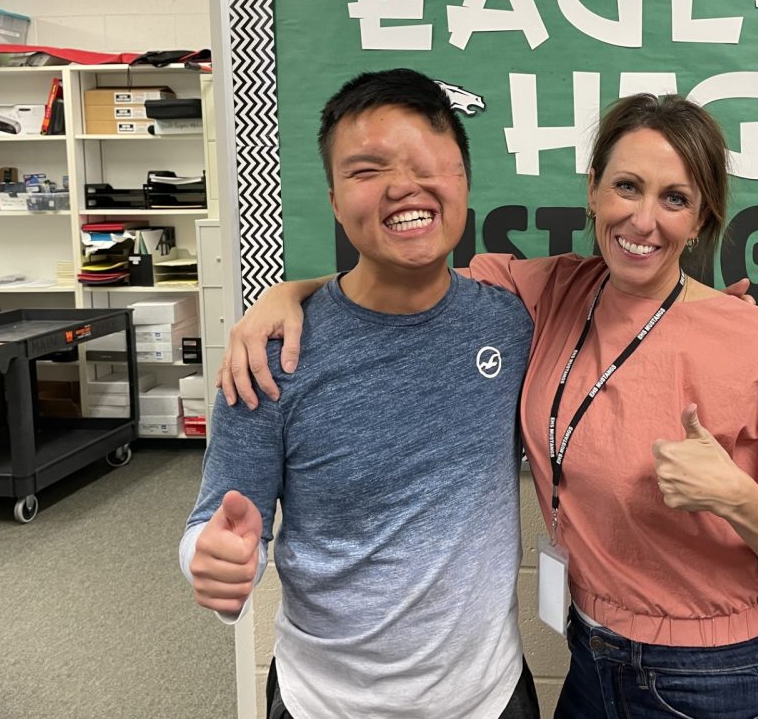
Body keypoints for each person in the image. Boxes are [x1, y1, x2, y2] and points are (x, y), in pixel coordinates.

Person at [225, 91, 758, 717]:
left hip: (724, 680)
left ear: (700, 217)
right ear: (593, 188)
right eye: (627, 186)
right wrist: (290, 293)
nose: (643, 220)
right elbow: (408, 277)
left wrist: (738, 497)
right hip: (593, 665)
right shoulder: (556, 288)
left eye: (673, 198)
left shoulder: (755, 341)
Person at [181, 69, 540, 719]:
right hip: (324, 702)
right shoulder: (271, 354)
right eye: (367, 170)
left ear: (462, 179)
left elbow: (632, 301)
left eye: (429, 162)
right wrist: (212, 559)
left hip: (488, 698)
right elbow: (217, 519)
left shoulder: (511, 326)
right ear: (335, 199)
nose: (403, 186)